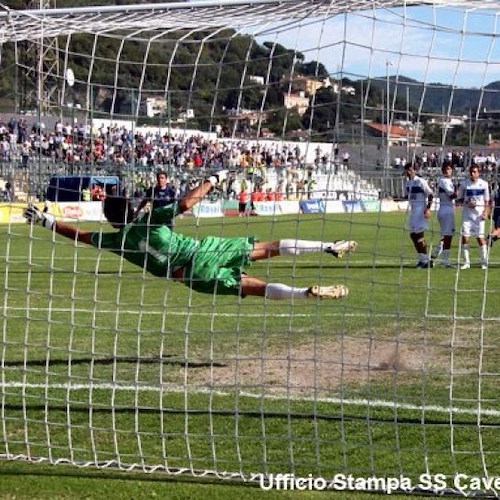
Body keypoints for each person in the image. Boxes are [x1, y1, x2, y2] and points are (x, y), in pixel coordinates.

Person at [23, 173, 358, 301]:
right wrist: (212, 179)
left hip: (189, 276)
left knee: (250, 286)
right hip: (203, 249)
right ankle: (328, 246)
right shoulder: (151, 220)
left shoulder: (115, 241)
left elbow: (81, 235)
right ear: (132, 209)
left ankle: (304, 294)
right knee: (268, 247)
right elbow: (185, 202)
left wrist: (47, 220)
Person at [457, 163, 491, 270]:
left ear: (478, 173)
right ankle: (466, 262)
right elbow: (459, 200)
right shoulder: (464, 184)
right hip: (467, 215)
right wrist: (466, 201)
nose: (473, 173)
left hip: (479, 216)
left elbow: (487, 200)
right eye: (471, 172)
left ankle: (484, 262)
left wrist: (485, 212)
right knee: (465, 238)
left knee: (480, 239)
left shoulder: (484, 184)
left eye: (475, 172)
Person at [404, 162, 434, 268]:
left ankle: (425, 260)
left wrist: (427, 209)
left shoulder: (420, 181)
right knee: (413, 235)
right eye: (407, 170)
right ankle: (423, 259)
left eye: (410, 170)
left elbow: (430, 194)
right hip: (413, 213)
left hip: (420, 212)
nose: (408, 172)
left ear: (415, 171)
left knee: (419, 235)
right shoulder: (407, 183)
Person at [431, 161, 457, 267]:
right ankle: (443, 261)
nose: (448, 171)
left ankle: (434, 256)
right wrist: (462, 192)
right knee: (447, 236)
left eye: (450, 169)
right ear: (443, 171)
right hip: (446, 210)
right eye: (446, 169)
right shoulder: (444, 181)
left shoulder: (447, 181)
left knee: (447, 235)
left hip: (447, 210)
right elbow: (452, 195)